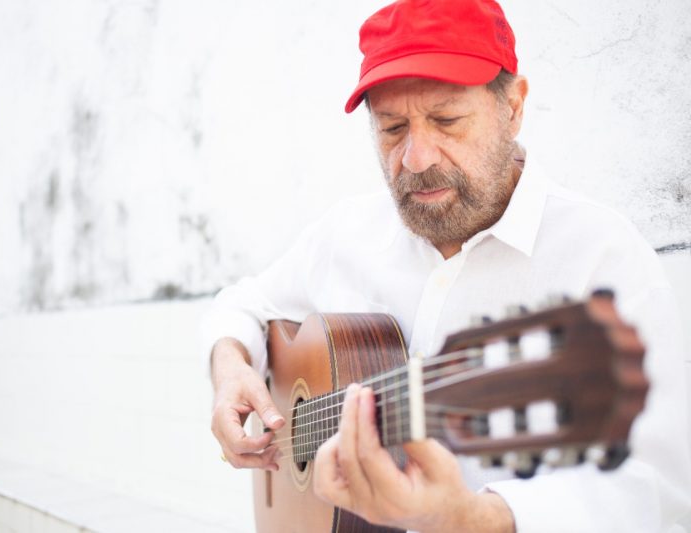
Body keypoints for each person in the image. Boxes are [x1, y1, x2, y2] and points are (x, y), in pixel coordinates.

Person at [202, 0, 691, 531]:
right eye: (392, 129)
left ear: (513, 107)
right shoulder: (345, 234)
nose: (416, 157)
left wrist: (479, 517)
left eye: (447, 120)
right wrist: (229, 368)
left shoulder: (599, 255)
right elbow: (243, 304)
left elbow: (663, 488)